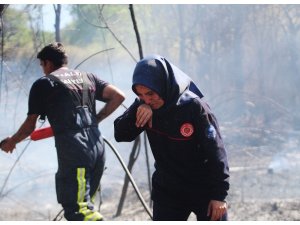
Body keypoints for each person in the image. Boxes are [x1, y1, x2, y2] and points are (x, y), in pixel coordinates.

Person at [0, 42, 125, 221]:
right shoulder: (88, 77)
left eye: (42, 65)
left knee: (79, 211)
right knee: (86, 204)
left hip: (75, 152)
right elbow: (118, 96)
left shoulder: (44, 84)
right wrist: (95, 120)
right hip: (98, 147)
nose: (43, 70)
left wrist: (12, 141)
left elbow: (29, 126)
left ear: (48, 63)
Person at [114, 54, 230, 221]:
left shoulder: (193, 107)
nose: (147, 99)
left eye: (150, 93)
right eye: (141, 95)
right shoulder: (143, 105)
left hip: (204, 186)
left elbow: (216, 151)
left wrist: (219, 195)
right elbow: (121, 134)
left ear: (163, 85)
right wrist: (138, 108)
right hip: (168, 190)